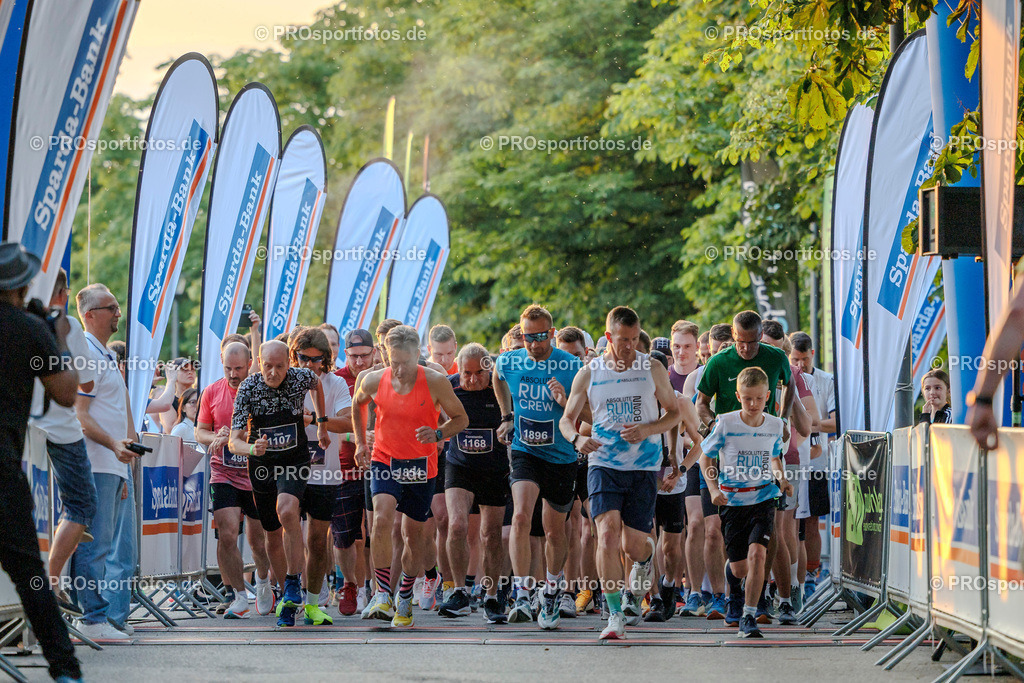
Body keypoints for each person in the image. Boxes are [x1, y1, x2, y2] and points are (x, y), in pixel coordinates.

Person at [560, 306, 682, 640]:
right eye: (622, 340)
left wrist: (647, 428)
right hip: (603, 464)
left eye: (633, 339)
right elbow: (567, 418)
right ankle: (614, 614)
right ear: (608, 336)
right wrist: (577, 438)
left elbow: (674, 414)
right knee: (607, 533)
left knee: (633, 546)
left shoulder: (652, 367)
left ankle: (645, 561)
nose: (629, 346)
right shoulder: (590, 372)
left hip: (642, 466)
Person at [0, 242, 84, 679]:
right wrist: (57, 338)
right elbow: (66, 393)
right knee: (31, 578)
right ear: (22, 284)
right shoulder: (29, 328)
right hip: (2, 472)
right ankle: (65, 669)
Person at [353, 325, 468, 627]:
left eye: (406, 362)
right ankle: (381, 594)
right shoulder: (374, 379)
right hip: (385, 459)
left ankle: (404, 597)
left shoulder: (435, 381)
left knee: (412, 536)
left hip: (421, 465)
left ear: (418, 354)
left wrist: (439, 433)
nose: (400, 369)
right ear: (385, 356)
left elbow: (462, 418)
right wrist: (362, 444)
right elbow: (357, 403)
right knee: (381, 518)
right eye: (394, 362)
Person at [228, 340, 331, 627]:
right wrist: (252, 448)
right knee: (271, 533)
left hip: (294, 460)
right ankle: (286, 595)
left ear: (290, 363)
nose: (273, 373)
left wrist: (321, 422)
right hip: (261, 465)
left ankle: (293, 582)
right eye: (268, 366)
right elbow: (233, 441)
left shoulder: (301, 377)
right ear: (258, 364)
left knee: (288, 510)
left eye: (280, 366)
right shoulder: (248, 388)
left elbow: (317, 385)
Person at [493, 305, 584, 629]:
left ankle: (551, 589)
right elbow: (497, 376)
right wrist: (506, 416)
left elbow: (588, 416)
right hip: (524, 451)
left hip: (560, 457)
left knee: (554, 529)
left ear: (552, 333)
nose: (535, 344)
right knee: (519, 515)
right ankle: (522, 592)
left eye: (541, 337)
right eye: (529, 337)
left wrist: (564, 404)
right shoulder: (510, 360)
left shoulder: (571, 365)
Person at [72, 284, 141, 640]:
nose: (118, 312)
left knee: (110, 547)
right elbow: (80, 415)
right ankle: (93, 618)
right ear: (89, 314)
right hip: (97, 461)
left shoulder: (106, 356)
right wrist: (115, 445)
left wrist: (124, 463)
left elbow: (115, 412)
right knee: (95, 545)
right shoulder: (85, 352)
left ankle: (102, 617)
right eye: (110, 307)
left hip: (113, 464)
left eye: (117, 306)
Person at [701, 367, 792, 638]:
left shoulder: (776, 425)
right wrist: (713, 487)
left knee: (758, 555)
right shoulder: (726, 423)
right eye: (747, 399)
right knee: (739, 567)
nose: (753, 405)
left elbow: (775, 457)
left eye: (759, 399)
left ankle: (749, 616)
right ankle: (734, 591)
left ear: (768, 398)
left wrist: (782, 479)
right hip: (731, 501)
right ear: (738, 396)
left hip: (764, 498)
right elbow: (706, 457)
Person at [29, 269, 98, 616]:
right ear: (61, 293)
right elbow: (82, 385)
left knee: (36, 513)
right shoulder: (66, 325)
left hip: (26, 429)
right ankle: (52, 581)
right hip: (62, 429)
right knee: (82, 506)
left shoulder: (20, 321)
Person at [195, 341, 273, 618]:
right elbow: (200, 431)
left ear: (251, 362)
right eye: (227, 368)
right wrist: (216, 438)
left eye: (238, 368)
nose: (232, 374)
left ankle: (263, 582)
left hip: (257, 474)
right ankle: (239, 595)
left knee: (258, 540)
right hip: (223, 472)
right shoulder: (212, 391)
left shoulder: (263, 390)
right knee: (227, 534)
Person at [435, 343, 509, 623]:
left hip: (494, 469)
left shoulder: (500, 389)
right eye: (467, 373)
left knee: (491, 535)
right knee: (456, 526)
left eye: (480, 373)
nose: (473, 379)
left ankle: (491, 596)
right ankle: (459, 592)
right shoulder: (449, 385)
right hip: (460, 466)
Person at [290, 327, 352, 625]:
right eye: (303, 358)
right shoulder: (283, 381)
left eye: (316, 359)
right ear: (295, 356)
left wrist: (316, 419)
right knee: (287, 534)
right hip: (288, 470)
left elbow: (348, 422)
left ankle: (313, 602)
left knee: (316, 540)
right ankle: (289, 595)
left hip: (324, 473)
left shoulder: (336, 383)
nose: (310, 365)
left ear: (326, 358)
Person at [788, 331, 836, 598]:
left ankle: (810, 574)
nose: (800, 365)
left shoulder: (826, 380)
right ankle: (788, 577)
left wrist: (809, 424)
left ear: (812, 355)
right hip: (792, 457)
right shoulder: (787, 376)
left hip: (817, 460)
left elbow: (836, 422)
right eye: (795, 359)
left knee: (810, 520)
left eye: (804, 359)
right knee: (789, 520)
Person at [332, 328, 375, 615]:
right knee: (344, 534)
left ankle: (375, 586)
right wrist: (356, 438)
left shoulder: (383, 377)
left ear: (374, 352)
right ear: (345, 354)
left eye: (365, 356)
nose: (359, 362)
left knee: (375, 532)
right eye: (354, 356)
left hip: (379, 466)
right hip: (343, 467)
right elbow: (329, 426)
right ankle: (349, 584)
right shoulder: (336, 380)